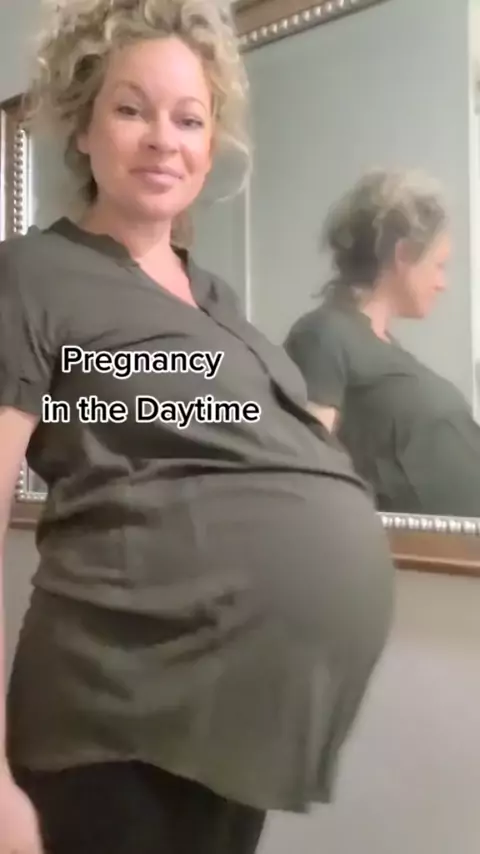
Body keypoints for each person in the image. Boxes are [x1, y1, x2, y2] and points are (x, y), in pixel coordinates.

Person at [0, 3, 394, 853]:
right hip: (113, 720)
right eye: (130, 109)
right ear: (84, 129)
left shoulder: (217, 299)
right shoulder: (30, 275)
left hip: (233, 732)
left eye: (189, 119)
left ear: (211, 146)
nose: (162, 140)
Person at [284, 168, 480, 516]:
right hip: (411, 549)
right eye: (439, 265)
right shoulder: (323, 336)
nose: (443, 283)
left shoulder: (384, 348)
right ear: (403, 254)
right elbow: (302, 479)